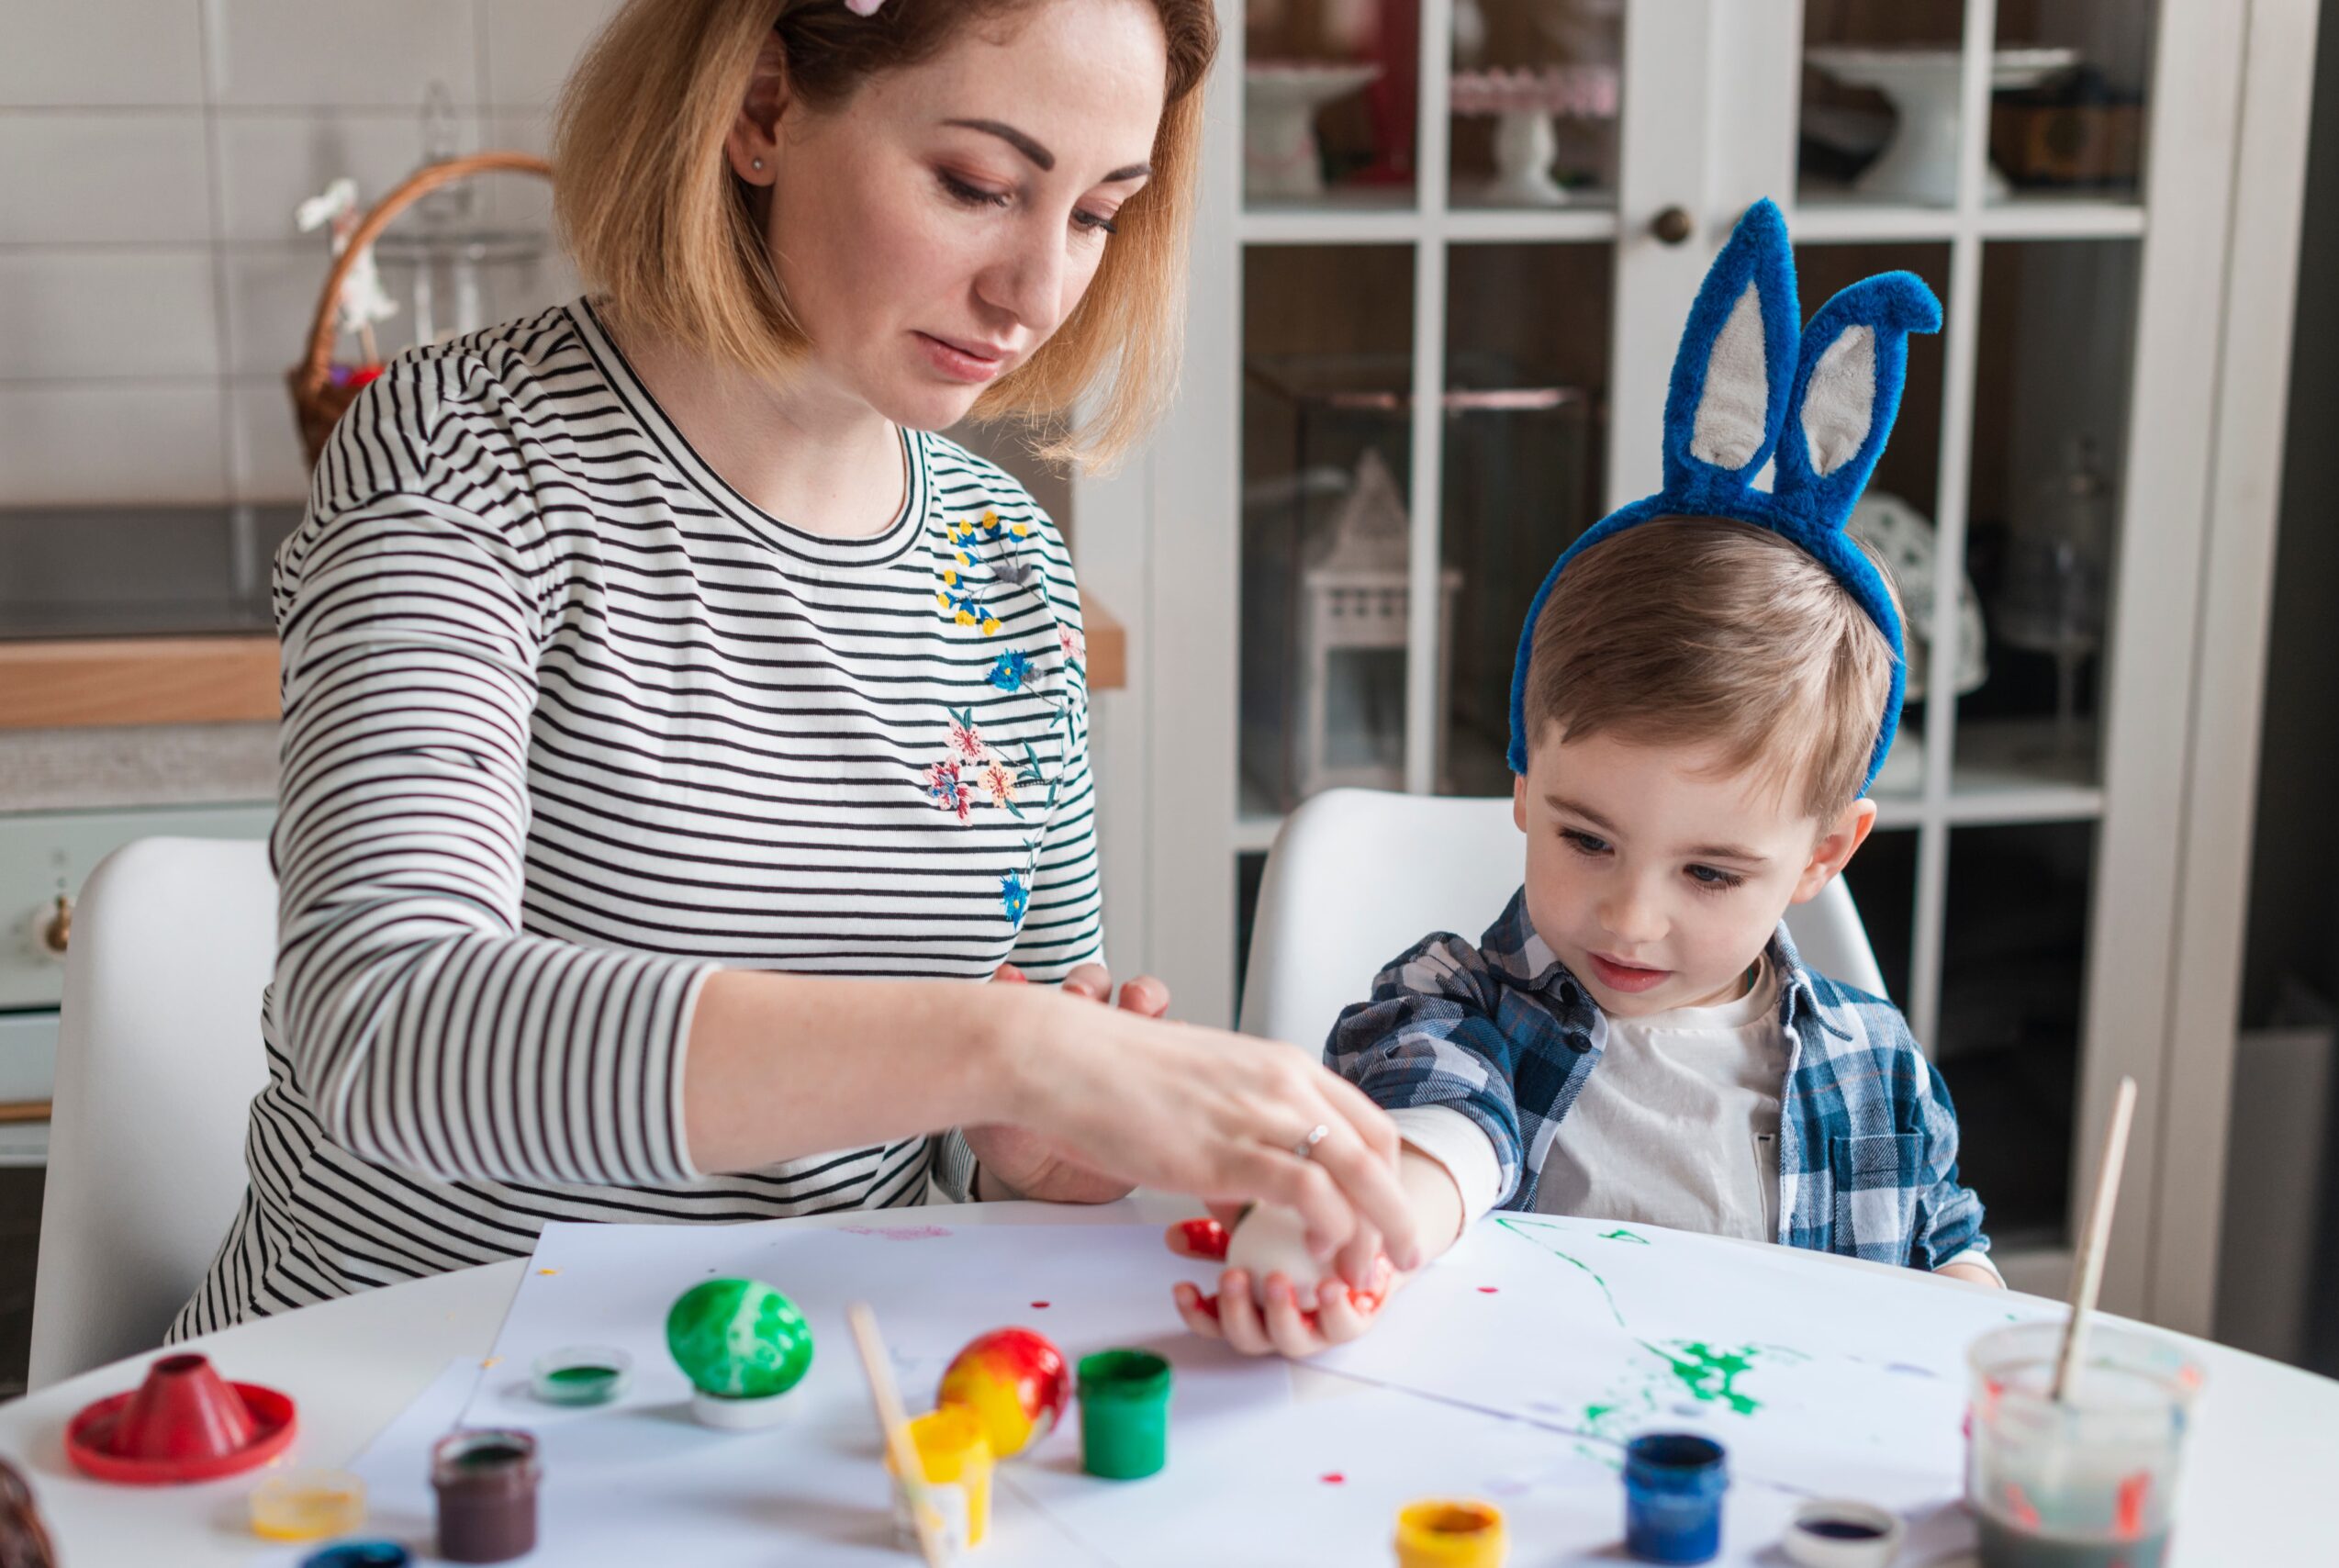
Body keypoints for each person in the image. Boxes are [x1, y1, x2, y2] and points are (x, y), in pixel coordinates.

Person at [177, 0, 1416, 1336]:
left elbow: (997, 1114)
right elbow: (387, 1024)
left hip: (813, 1406)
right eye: (979, 186)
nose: (1039, 293)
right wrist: (1020, 1053)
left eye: (1097, 213)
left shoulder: (1004, 564)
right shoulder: (463, 458)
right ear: (763, 112)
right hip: (388, 1408)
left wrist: (1035, 1156)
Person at [1171, 200, 1997, 1359]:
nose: (1628, 915)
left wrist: (1980, 1327)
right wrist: (1365, 1226)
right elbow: (1439, 1133)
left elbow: (1942, 1248)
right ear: (1524, 775)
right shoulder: (1459, 1008)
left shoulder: (1873, 1067)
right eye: (1586, 837)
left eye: (1710, 870)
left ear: (1824, 854)